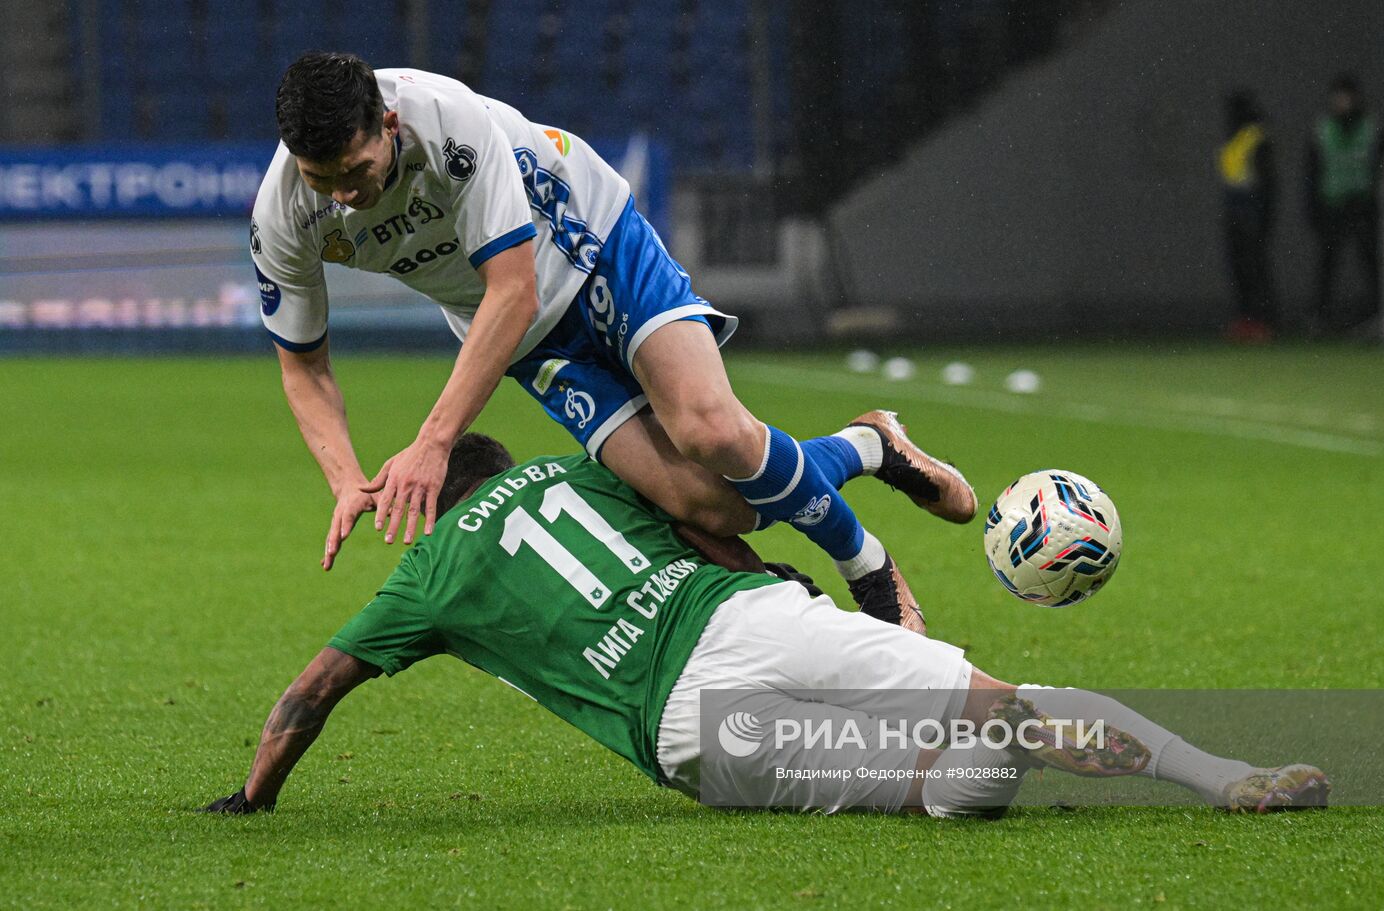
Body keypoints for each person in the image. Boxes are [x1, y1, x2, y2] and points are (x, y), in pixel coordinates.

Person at [203, 433, 1329, 818]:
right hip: (747, 613)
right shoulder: (572, 473)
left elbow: (308, 693)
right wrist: (782, 569)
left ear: (434, 500)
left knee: (937, 788)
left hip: (688, 724)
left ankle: (962, 764)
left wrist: (252, 795)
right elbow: (701, 515)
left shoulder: (428, 573)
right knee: (1000, 707)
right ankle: (1224, 772)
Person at [252, 52, 976, 633]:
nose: (342, 194)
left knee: (710, 429)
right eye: (323, 178)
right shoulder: (284, 214)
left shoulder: (450, 125)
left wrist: (436, 440)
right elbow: (304, 365)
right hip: (531, 340)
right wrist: (345, 478)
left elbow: (514, 287)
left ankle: (870, 571)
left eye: (354, 170)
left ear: (386, 124)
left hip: (598, 246)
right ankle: (869, 445)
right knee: (710, 507)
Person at [1306, 74, 1384, 335]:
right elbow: (1312, 170)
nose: (1341, 102)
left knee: (1370, 261)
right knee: (1328, 263)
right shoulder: (1323, 128)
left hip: (1363, 203)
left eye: (1346, 96)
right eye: (1338, 96)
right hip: (1333, 203)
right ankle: (1321, 316)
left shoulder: (1372, 127)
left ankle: (1380, 313)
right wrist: (1313, 207)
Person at [1217, 91, 1276, 343]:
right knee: (1239, 270)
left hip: (1252, 212)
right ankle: (1245, 320)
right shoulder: (1233, 139)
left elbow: (1268, 183)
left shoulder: (1256, 138)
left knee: (1255, 271)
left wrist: (1264, 218)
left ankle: (1264, 321)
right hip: (1234, 213)